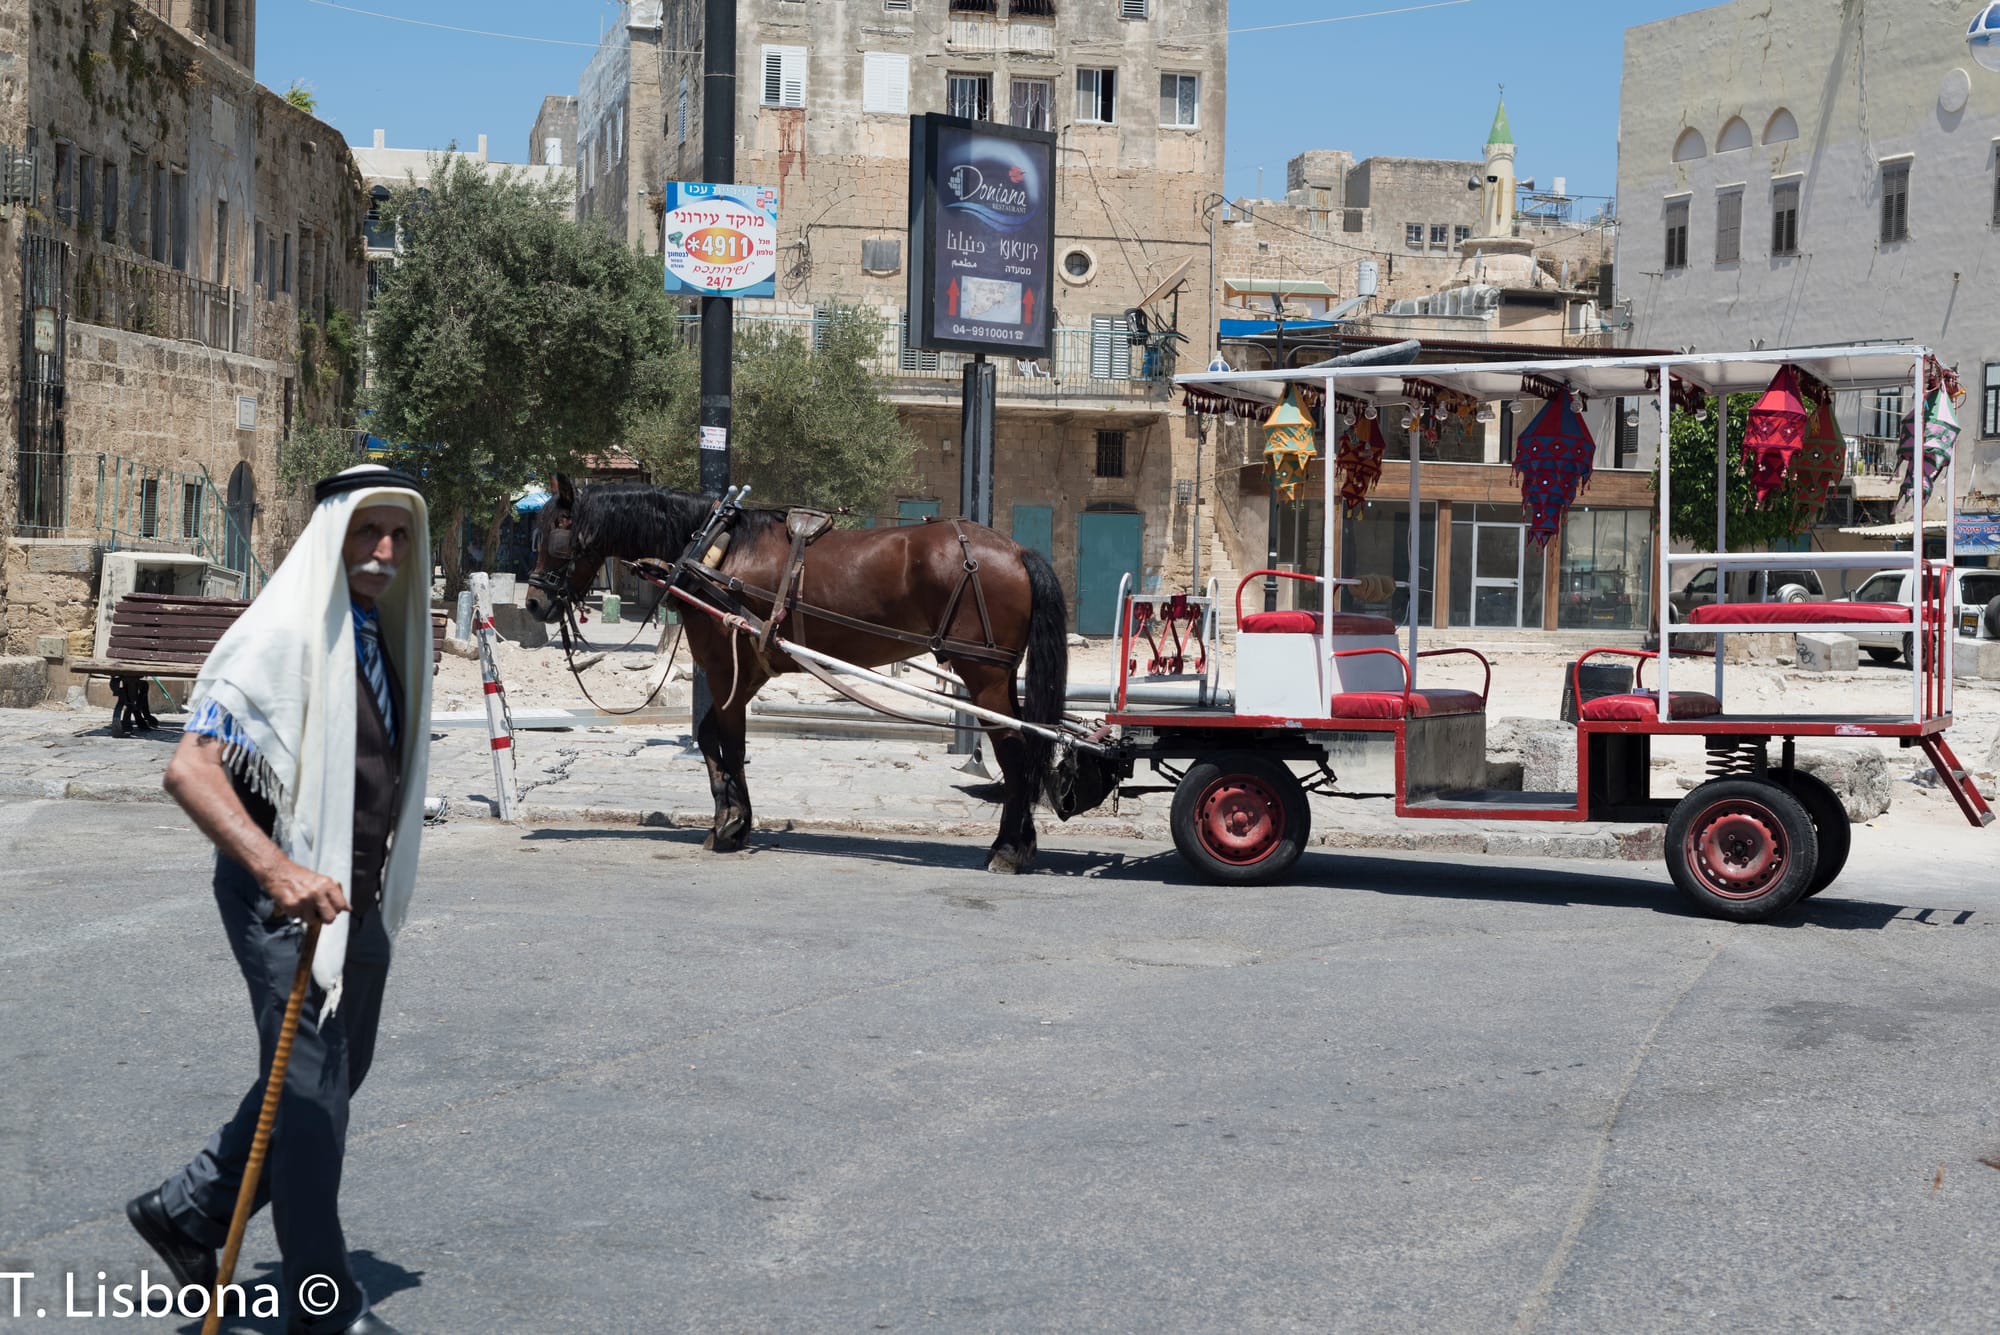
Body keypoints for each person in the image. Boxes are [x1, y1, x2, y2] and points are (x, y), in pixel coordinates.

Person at [126, 465, 433, 1335]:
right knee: (310, 1094)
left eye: (398, 535)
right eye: (368, 531)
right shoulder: (283, 631)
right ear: (332, 533)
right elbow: (191, 769)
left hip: (353, 894)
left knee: (335, 1075)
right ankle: (320, 1301)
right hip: (284, 902)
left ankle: (190, 1209)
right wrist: (276, 871)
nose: (384, 550)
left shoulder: (370, 632)